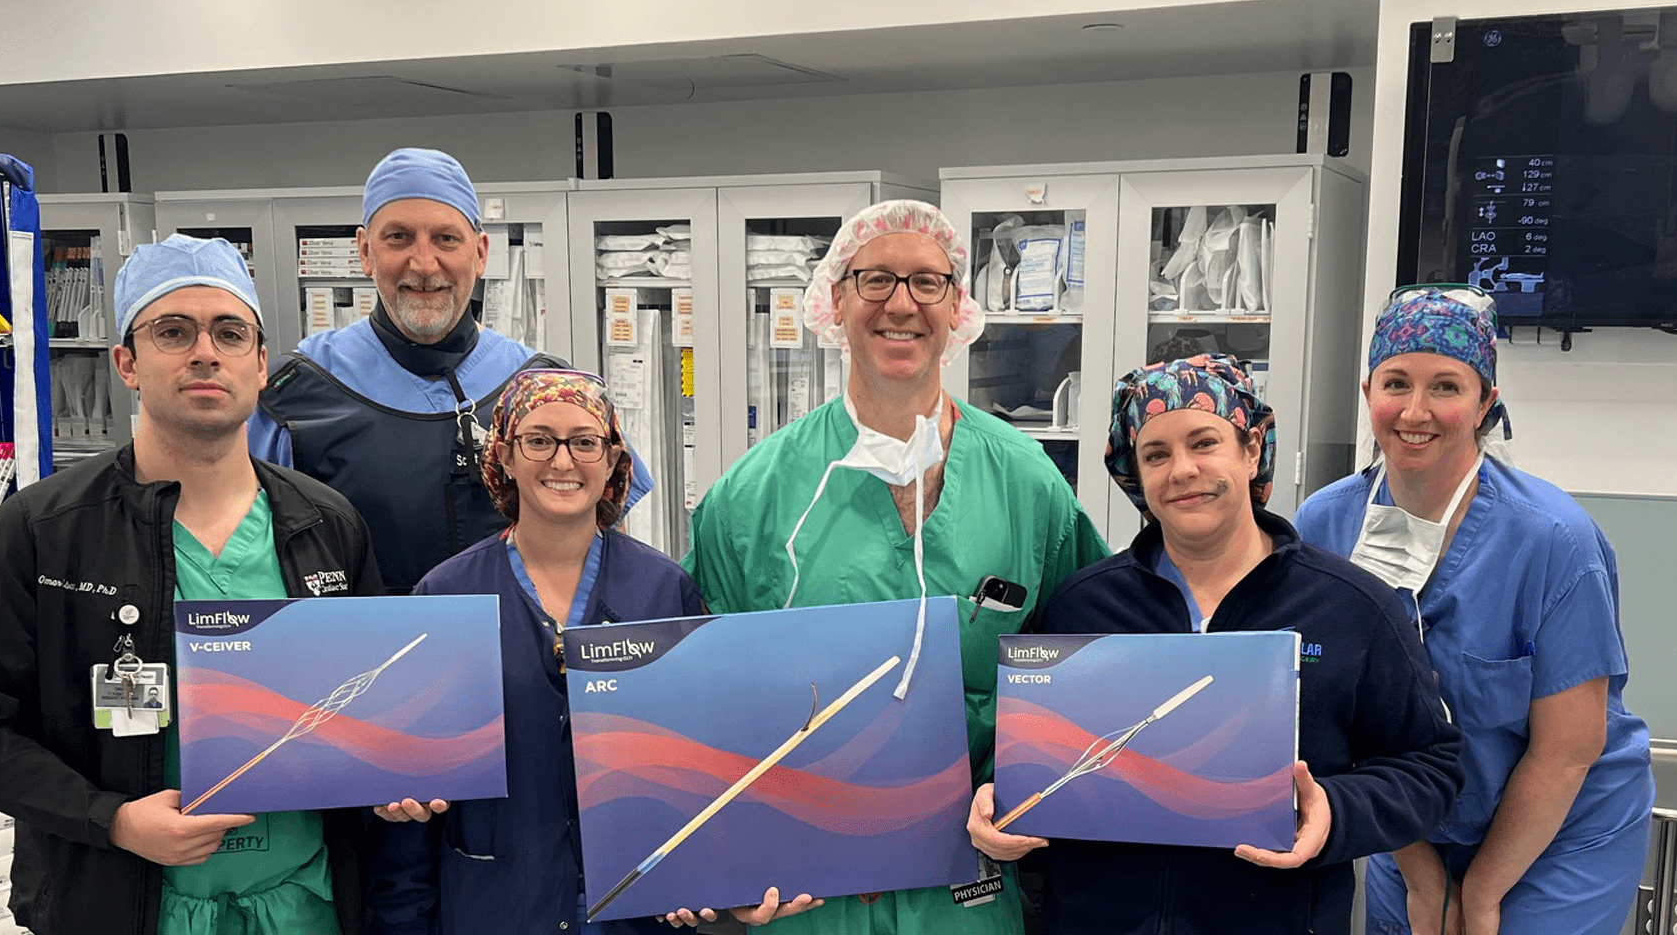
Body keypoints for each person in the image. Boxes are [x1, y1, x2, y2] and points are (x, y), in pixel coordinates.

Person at [0, 234, 383, 935]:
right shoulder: (42, 532)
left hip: (304, 906)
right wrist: (110, 820)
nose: (205, 351)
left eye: (230, 333)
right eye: (173, 331)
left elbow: (374, 707)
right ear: (128, 363)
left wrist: (404, 779)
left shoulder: (326, 524)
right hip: (122, 905)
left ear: (260, 366)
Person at [677, 199, 1112, 933]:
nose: (901, 304)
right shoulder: (752, 496)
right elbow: (694, 697)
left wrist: (1024, 786)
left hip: (968, 891)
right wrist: (719, 863)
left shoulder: (1026, 482)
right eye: (876, 280)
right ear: (836, 300)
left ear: (957, 305)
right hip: (802, 894)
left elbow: (1086, 666)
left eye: (927, 282)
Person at [971, 354, 1463, 935]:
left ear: (1251, 450)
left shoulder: (1352, 608)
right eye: (1156, 453)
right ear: (1134, 471)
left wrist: (1336, 810)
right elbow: (1034, 756)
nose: (1182, 470)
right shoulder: (1084, 606)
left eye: (1204, 443)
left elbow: (1432, 766)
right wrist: (997, 807)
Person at [1295, 285, 1653, 935]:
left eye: (1447, 387)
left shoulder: (1551, 540)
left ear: (1486, 401)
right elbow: (1349, 724)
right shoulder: (1326, 524)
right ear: (1367, 391)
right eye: (1396, 382)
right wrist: (1422, 874)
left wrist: (1482, 891)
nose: (1415, 411)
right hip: (1410, 822)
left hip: (1561, 827)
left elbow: (1568, 749)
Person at [365, 368, 705, 935]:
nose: (563, 461)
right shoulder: (445, 595)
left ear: (614, 458)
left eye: (585, 441)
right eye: (539, 439)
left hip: (639, 909)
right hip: (495, 904)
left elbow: (699, 766)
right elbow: (409, 807)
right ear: (505, 455)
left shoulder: (663, 591)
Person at [251, 147, 649, 594]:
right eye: (398, 238)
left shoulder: (546, 388)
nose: (424, 264)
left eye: (446, 239)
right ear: (365, 252)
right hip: (363, 656)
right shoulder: (294, 396)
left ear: (480, 253)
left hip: (524, 657)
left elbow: (610, 549)